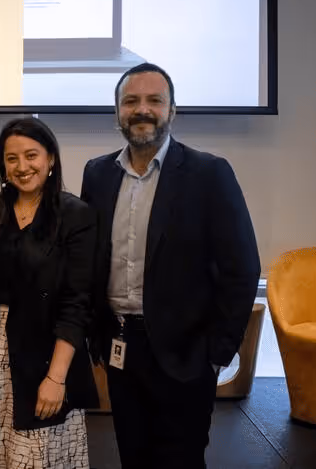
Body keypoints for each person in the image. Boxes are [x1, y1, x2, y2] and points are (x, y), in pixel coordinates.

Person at [81, 62, 261, 468]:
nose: (142, 109)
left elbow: (243, 268)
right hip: (120, 348)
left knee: (181, 459)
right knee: (133, 455)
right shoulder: (97, 174)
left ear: (172, 111)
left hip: (187, 356)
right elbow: (92, 259)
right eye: (131, 101)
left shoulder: (209, 173)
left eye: (154, 101)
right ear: (117, 112)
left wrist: (217, 353)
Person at [0, 117, 98, 469]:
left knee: (37, 455)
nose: (22, 167)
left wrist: (56, 378)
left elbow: (77, 303)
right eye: (11, 158)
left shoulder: (76, 215)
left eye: (31, 155)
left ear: (50, 158)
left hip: (46, 359)